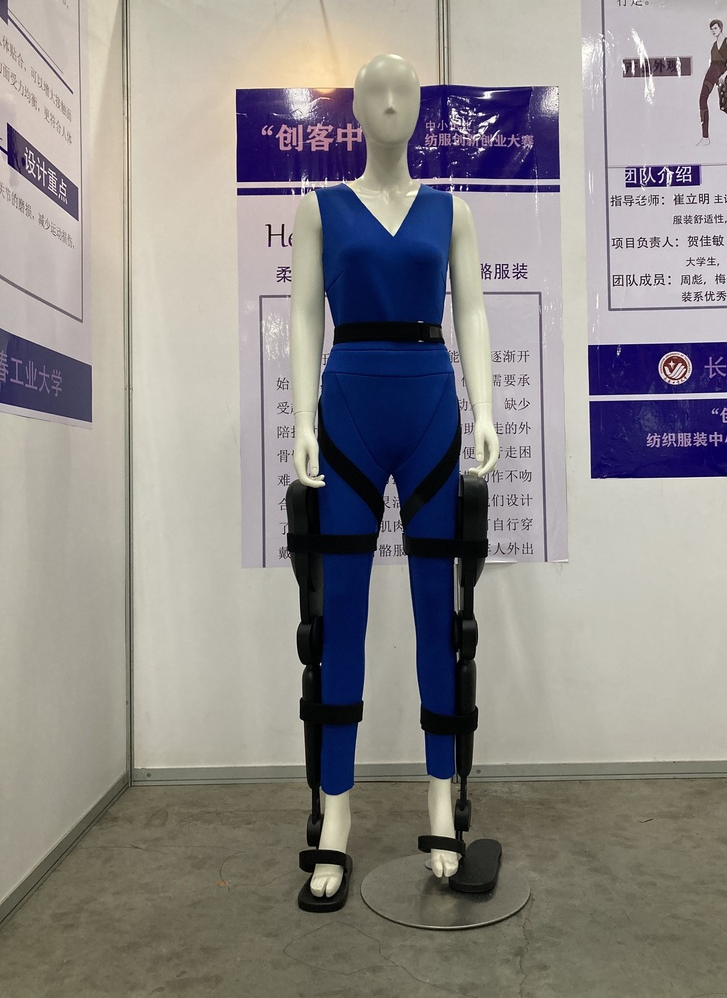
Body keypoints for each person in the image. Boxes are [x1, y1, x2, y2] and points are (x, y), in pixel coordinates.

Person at [289, 54, 499, 907]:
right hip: (346, 409)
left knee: (436, 616)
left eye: (404, 91)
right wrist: (301, 421)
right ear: (352, 107)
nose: (388, 103)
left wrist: (485, 408)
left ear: (420, 107)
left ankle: (442, 800)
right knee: (338, 612)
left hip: (428, 410)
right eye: (374, 91)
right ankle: (334, 814)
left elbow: (471, 309)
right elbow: (303, 314)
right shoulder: (318, 208)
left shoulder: (452, 210)